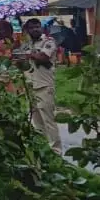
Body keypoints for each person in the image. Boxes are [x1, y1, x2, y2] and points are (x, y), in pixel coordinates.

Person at [18, 18, 62, 154]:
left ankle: (56, 151)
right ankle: (43, 150)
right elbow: (20, 61)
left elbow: (43, 57)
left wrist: (28, 54)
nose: (35, 29)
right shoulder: (26, 44)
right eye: (32, 28)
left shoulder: (48, 41)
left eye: (37, 27)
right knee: (37, 121)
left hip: (44, 85)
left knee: (48, 120)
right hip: (30, 84)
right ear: (27, 30)